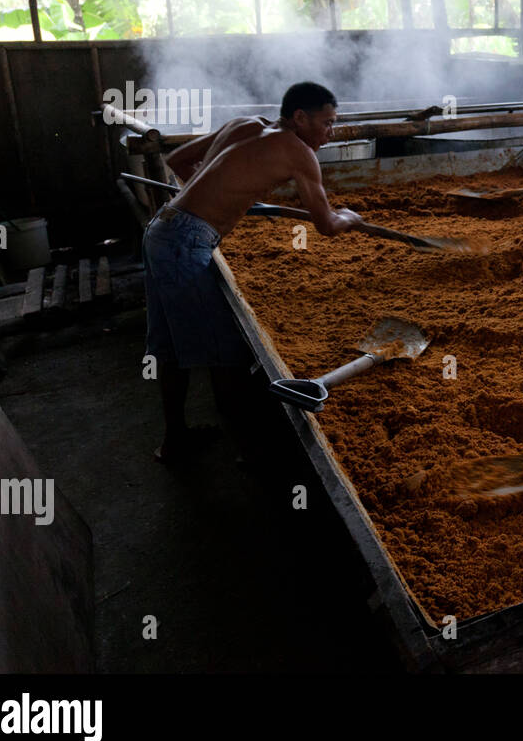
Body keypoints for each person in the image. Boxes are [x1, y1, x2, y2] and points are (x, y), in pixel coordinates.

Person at [145, 81, 361, 462]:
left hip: (163, 228)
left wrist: (229, 191)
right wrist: (350, 216)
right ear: (299, 117)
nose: (331, 132)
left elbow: (177, 160)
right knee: (227, 352)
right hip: (186, 240)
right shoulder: (299, 153)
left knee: (168, 349)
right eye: (327, 123)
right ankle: (249, 452)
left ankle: (174, 440)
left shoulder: (243, 124)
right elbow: (326, 224)